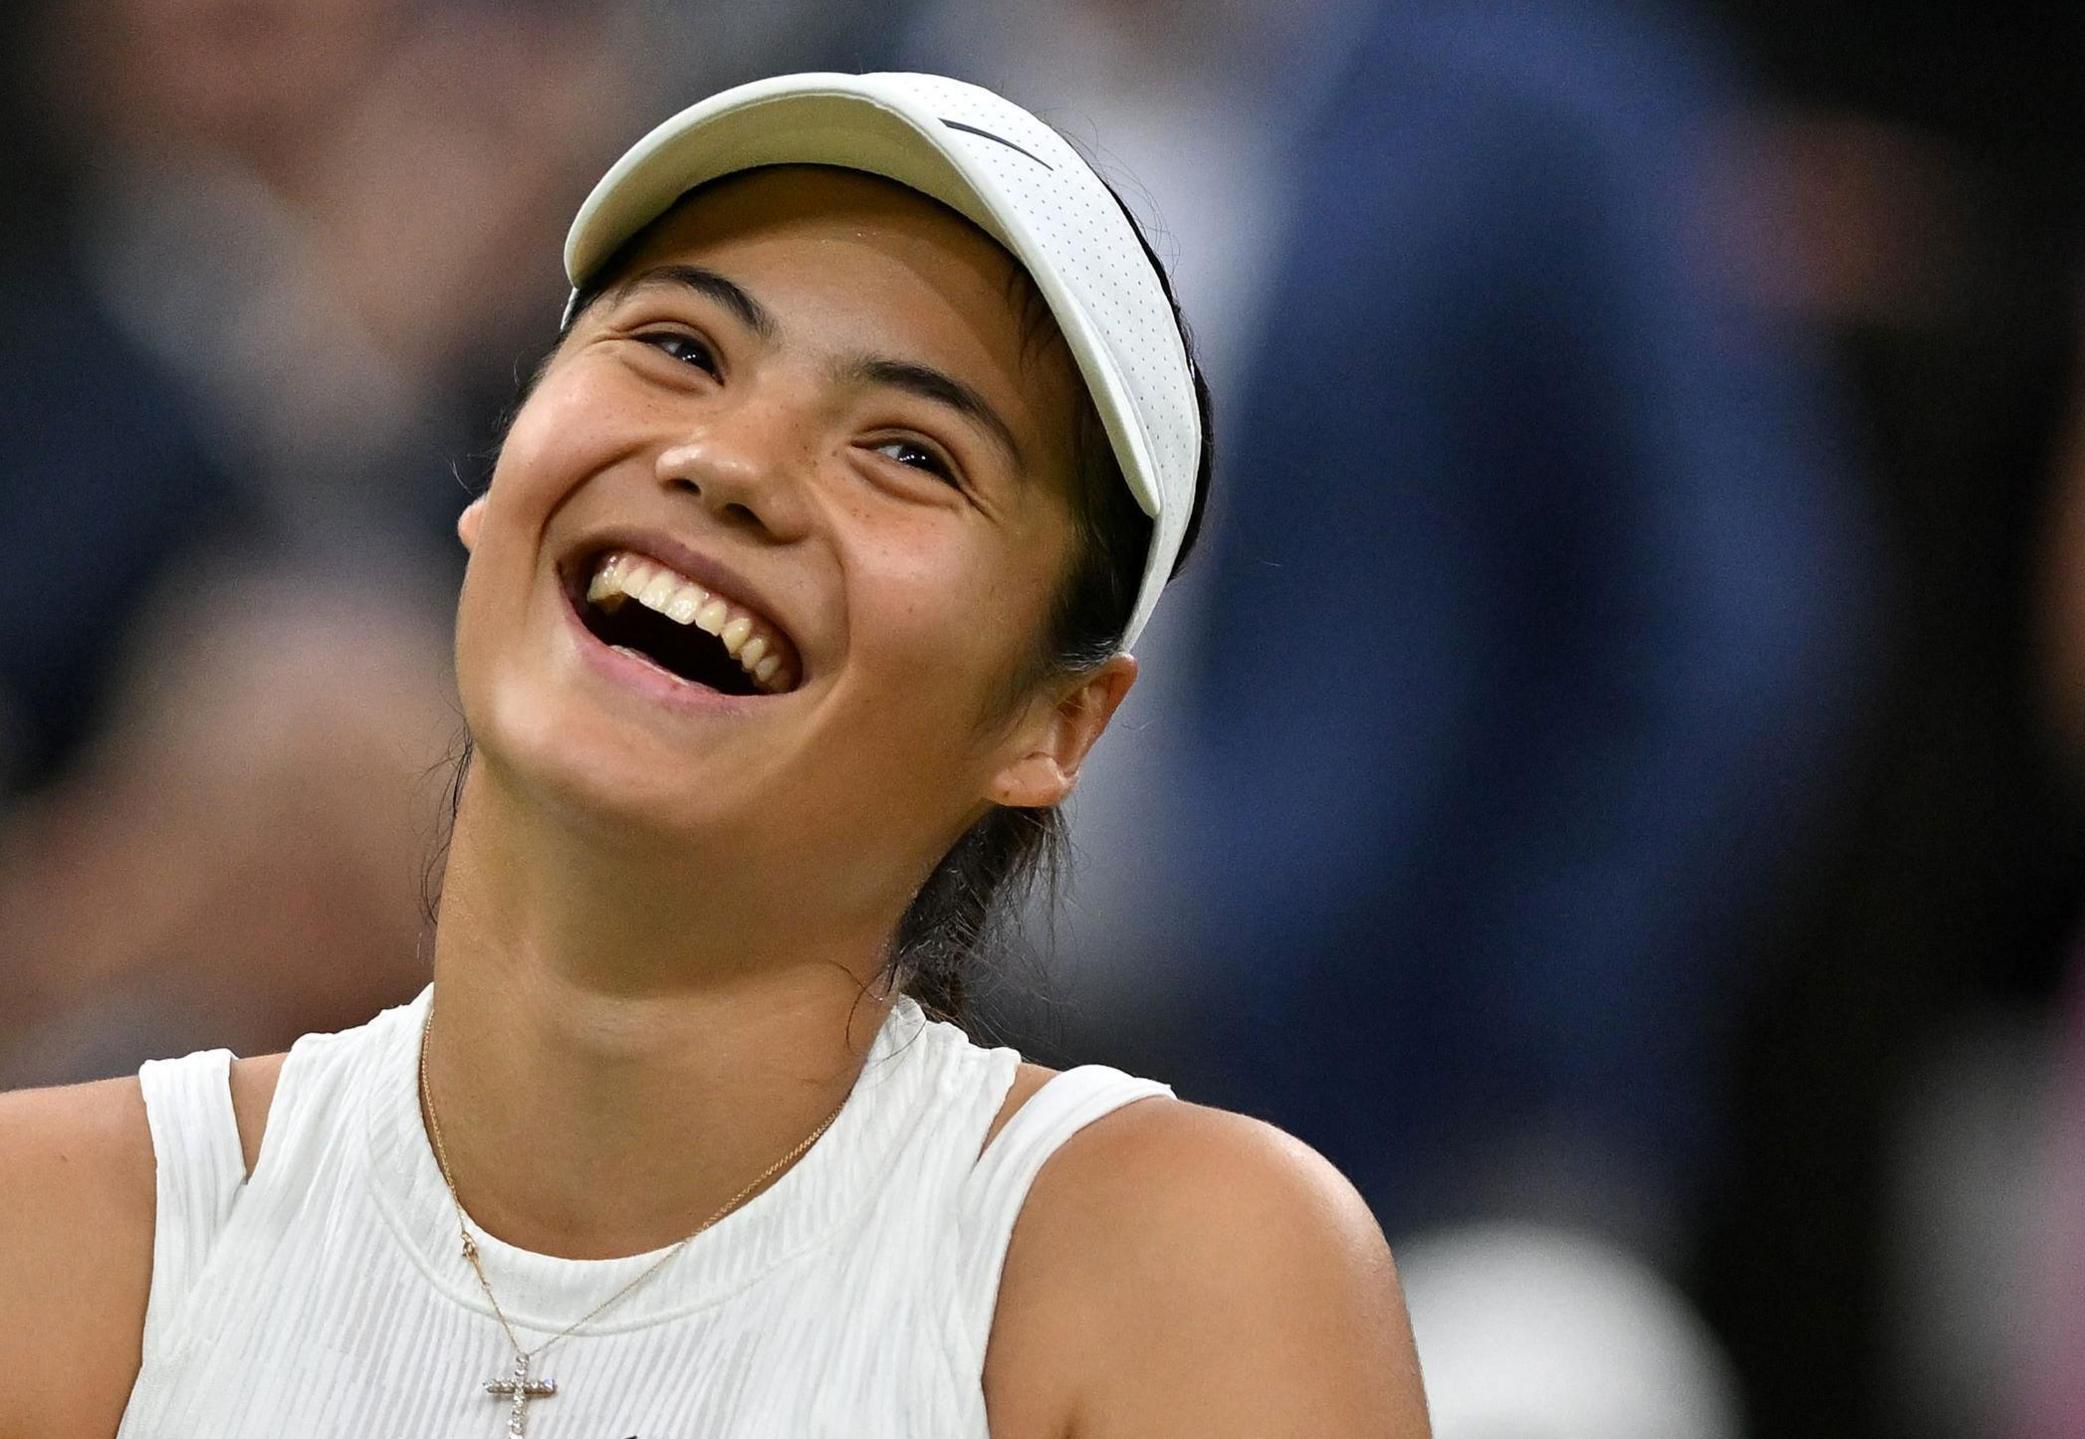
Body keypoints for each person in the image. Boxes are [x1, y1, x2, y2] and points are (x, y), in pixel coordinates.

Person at [0, 71, 1429, 1437]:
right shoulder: (46, 1238)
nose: (731, 463)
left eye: (910, 451)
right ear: (498, 485)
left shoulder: (1191, 1277)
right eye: (679, 349)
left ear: (1054, 725)